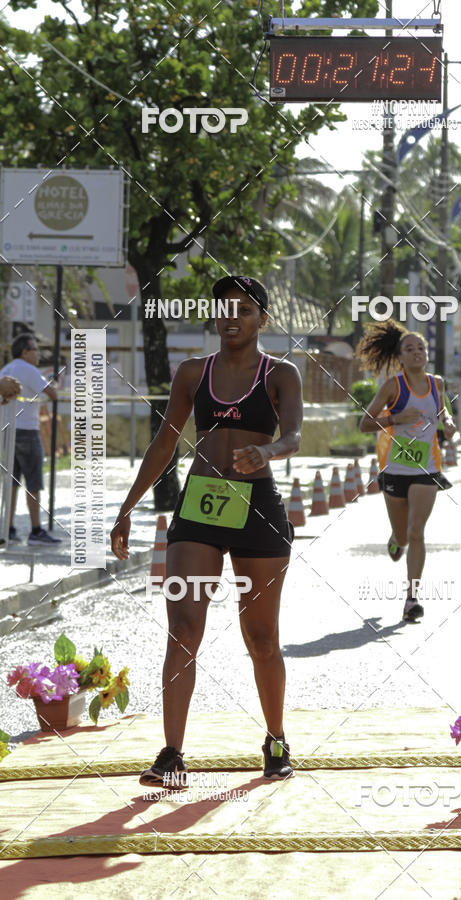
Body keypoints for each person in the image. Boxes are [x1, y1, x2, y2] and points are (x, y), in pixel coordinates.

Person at [110, 276, 303, 786]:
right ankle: (172, 754)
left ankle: (276, 738)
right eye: (224, 307)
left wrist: (268, 451)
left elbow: (296, 435)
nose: (231, 316)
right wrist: (127, 506)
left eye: (244, 309)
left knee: (261, 638)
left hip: (258, 509)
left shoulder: (281, 374)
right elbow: (164, 441)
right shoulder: (193, 374)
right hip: (199, 509)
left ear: (263, 318)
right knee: (183, 630)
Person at [357, 320, 456, 622]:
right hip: (395, 468)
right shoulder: (393, 387)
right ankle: (395, 539)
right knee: (402, 535)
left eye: (421, 347)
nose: (417, 352)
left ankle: (411, 599)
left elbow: (441, 409)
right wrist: (396, 419)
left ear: (427, 353)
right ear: (400, 357)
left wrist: (448, 423)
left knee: (417, 531)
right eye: (410, 348)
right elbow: (364, 424)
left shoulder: (436, 383)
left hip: (426, 467)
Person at [0, 334, 61, 545]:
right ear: (25, 352)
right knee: (34, 481)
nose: (39, 354)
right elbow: (52, 393)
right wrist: (53, 386)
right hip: (27, 429)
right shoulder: (28, 369)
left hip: (8, 431)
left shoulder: (6, 370)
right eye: (35, 349)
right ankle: (36, 531)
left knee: (12, 482)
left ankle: (8, 529)